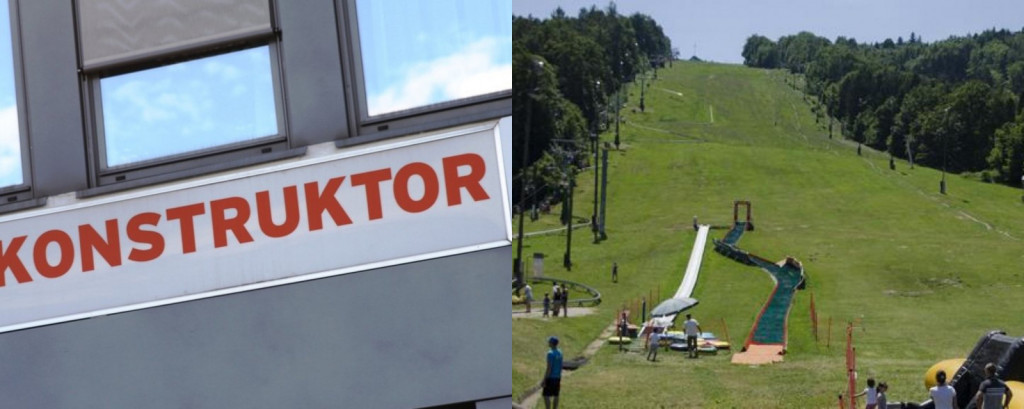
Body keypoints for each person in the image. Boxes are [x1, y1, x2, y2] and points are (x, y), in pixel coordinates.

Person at [543, 336, 563, 409]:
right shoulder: (560, 352)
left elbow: (549, 368)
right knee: (556, 394)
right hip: (557, 377)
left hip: (551, 377)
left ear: (551, 343)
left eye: (549, 342)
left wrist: (544, 380)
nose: (548, 343)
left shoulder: (550, 353)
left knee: (546, 395)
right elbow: (561, 365)